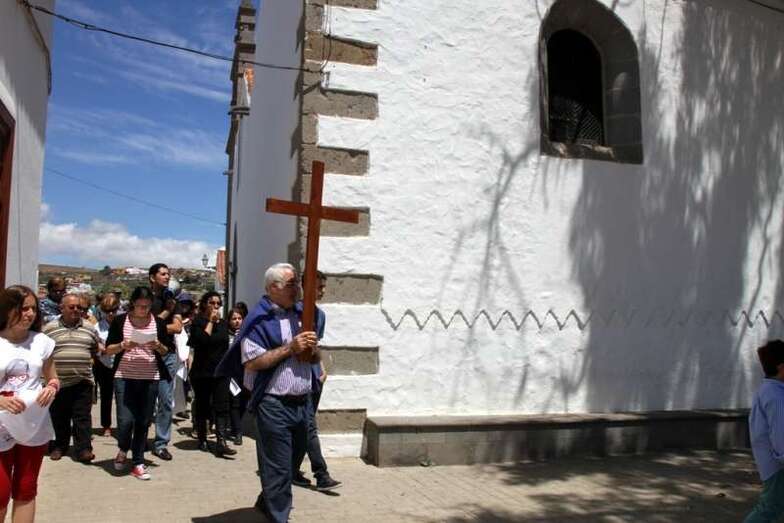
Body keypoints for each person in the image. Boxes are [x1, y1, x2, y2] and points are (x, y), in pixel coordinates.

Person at [216, 262, 320, 523]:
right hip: (274, 404)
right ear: (273, 287)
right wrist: (290, 348)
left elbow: (314, 356)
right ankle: (278, 517)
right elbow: (252, 362)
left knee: (291, 464)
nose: (298, 289)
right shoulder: (258, 320)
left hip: (303, 403)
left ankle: (267, 502)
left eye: (297, 283)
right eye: (291, 284)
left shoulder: (304, 315)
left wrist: (314, 351)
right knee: (277, 466)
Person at [0, 285, 58, 523]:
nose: (30, 314)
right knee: (0, 492)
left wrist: (51, 388)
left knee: (26, 488)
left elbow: (53, 378)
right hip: (1, 426)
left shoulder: (42, 342)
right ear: (7, 309)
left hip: (33, 424)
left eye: (33, 308)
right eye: (24, 309)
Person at [104, 287, 172, 481]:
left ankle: (138, 461)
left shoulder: (158, 323)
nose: (144, 310)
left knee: (143, 420)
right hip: (124, 376)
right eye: (140, 306)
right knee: (125, 420)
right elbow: (108, 350)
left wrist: (158, 346)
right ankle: (123, 448)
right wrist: (122, 345)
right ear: (133, 303)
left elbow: (167, 350)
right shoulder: (120, 321)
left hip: (150, 377)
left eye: (147, 306)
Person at [292, 271, 341, 491]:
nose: (323, 291)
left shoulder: (320, 316)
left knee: (305, 426)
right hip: (299, 378)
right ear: (307, 287)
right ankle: (321, 474)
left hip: (315, 378)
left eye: (323, 287)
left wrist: (321, 368)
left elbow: (315, 346)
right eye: (319, 287)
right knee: (309, 426)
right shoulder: (294, 312)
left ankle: (292, 470)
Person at [42, 293, 100, 462]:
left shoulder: (89, 328)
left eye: (79, 307)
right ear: (62, 308)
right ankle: (59, 446)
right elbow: (43, 353)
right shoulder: (49, 329)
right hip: (57, 382)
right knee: (59, 416)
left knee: (82, 417)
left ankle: (84, 449)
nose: (76, 310)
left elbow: (94, 349)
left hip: (83, 381)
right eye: (72, 307)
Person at [188, 292, 236, 458]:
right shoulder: (198, 322)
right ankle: (202, 438)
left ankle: (221, 441)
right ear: (204, 304)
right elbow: (201, 341)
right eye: (212, 303)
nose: (216, 306)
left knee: (222, 406)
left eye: (218, 303)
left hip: (220, 372)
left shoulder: (223, 324)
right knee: (203, 406)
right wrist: (210, 322)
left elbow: (225, 345)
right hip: (202, 372)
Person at [745, 340, 784, 522]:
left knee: (771, 507)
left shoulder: (768, 390)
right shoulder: (776, 396)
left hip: (771, 462)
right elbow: (780, 433)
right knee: (769, 508)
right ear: (782, 367)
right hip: (777, 465)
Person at [148, 263, 181, 462]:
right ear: (152, 277)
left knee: (166, 401)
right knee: (144, 401)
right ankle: (140, 438)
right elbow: (144, 326)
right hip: (145, 355)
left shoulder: (172, 299)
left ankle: (161, 443)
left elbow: (177, 327)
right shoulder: (144, 298)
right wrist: (166, 313)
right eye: (163, 274)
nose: (167, 276)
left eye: (168, 274)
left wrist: (157, 326)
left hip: (167, 355)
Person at [93, 294, 120, 437]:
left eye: (113, 310)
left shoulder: (123, 324)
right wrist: (100, 349)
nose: (110, 314)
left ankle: (124, 424)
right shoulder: (97, 327)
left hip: (120, 363)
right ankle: (106, 425)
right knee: (106, 395)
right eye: (107, 311)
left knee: (122, 396)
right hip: (103, 364)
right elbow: (94, 345)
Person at [227, 306, 248, 445]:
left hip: (245, 372)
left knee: (244, 402)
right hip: (231, 373)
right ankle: (238, 432)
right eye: (234, 318)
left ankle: (236, 427)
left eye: (239, 318)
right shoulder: (226, 335)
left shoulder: (247, 333)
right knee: (235, 402)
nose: (237, 321)